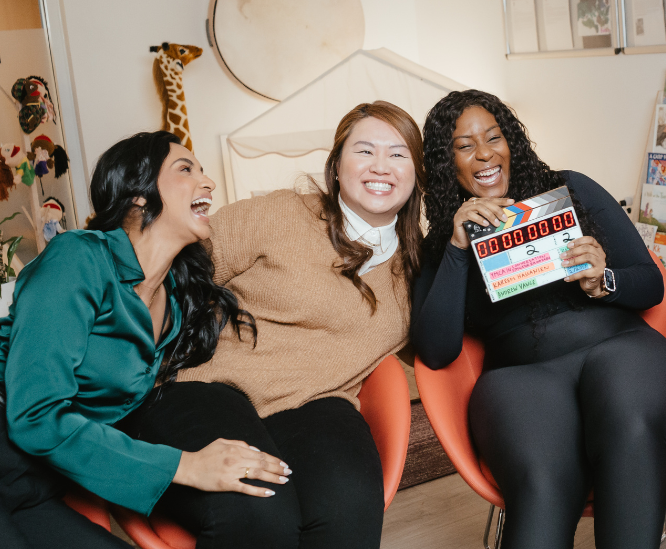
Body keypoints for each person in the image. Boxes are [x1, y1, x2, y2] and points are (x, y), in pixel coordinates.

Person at [121, 101, 424, 549]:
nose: (381, 166)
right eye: (364, 151)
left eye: (398, 154)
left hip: (315, 403)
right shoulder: (280, 214)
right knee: (259, 508)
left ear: (416, 171)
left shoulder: (420, 269)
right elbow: (168, 265)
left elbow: (447, 342)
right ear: (336, 167)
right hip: (203, 385)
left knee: (349, 508)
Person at [412, 89, 666, 549]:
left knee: (630, 429)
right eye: (464, 145)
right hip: (521, 380)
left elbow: (651, 284)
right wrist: (458, 248)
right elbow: (436, 350)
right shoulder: (444, 243)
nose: (484, 154)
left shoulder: (571, 189)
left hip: (620, 349)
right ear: (447, 163)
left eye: (493, 137)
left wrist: (604, 280)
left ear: (511, 142)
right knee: (542, 481)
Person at [0, 131, 287, 548]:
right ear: (137, 194)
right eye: (186, 169)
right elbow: (35, 414)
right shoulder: (78, 257)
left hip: (35, 486)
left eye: (204, 171)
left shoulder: (173, 307)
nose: (206, 182)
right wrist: (184, 466)